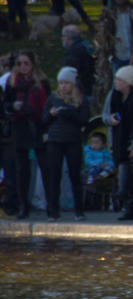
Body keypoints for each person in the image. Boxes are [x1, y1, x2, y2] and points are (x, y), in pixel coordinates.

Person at [4, 51, 49, 219]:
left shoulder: (41, 82)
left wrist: (45, 129)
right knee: (21, 170)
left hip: (37, 126)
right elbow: (5, 104)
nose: (23, 67)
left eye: (26, 63)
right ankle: (23, 206)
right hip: (20, 126)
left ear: (32, 64)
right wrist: (13, 106)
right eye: (20, 63)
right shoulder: (12, 82)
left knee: (45, 167)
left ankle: (51, 206)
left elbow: (47, 103)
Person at [42, 67, 89, 221]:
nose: (63, 86)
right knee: (54, 176)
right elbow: (43, 120)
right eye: (61, 83)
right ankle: (53, 211)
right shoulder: (53, 98)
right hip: (55, 140)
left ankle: (79, 210)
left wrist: (70, 113)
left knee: (75, 175)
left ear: (73, 84)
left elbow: (84, 120)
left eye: (66, 83)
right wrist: (51, 114)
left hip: (72, 140)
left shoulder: (81, 99)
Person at [102, 66, 133, 221]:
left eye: (119, 80)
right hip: (116, 136)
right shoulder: (113, 96)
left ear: (128, 83)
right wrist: (110, 120)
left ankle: (124, 197)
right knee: (121, 165)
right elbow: (105, 115)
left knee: (125, 165)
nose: (115, 82)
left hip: (129, 136)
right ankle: (128, 205)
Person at [60, 25, 96, 102]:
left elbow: (68, 72)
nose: (62, 38)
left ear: (67, 38)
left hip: (82, 89)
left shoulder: (73, 52)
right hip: (92, 85)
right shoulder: (87, 44)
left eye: (63, 36)